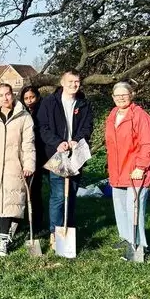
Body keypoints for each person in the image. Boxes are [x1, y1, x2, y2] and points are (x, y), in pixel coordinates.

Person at [36, 70, 94, 250]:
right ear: (62, 83)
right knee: (59, 195)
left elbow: (87, 126)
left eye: (77, 81)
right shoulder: (49, 102)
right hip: (56, 154)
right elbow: (43, 127)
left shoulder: (84, 104)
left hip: (76, 154)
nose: (74, 85)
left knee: (72, 194)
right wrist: (57, 143)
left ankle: (69, 229)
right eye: (70, 81)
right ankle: (55, 232)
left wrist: (77, 139)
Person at [104, 81, 150, 259]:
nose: (120, 98)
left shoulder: (140, 116)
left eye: (124, 94)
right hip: (118, 170)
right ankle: (127, 238)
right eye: (117, 95)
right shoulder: (113, 115)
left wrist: (141, 167)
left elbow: (148, 144)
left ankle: (139, 245)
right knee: (120, 206)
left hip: (136, 170)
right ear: (112, 97)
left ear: (132, 95)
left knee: (134, 208)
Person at [0, 84, 36, 256]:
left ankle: (3, 242)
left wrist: (29, 164)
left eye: (7, 94)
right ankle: (10, 229)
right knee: (3, 204)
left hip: (15, 165)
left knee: (10, 203)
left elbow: (28, 143)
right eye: (1, 95)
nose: (5, 98)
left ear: (12, 95)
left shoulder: (24, 117)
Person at [19, 85, 46, 233]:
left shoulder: (42, 111)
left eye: (32, 97)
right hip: (23, 154)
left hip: (39, 154)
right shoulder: (21, 112)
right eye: (26, 98)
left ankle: (37, 222)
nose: (29, 101)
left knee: (35, 190)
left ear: (37, 96)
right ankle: (22, 220)